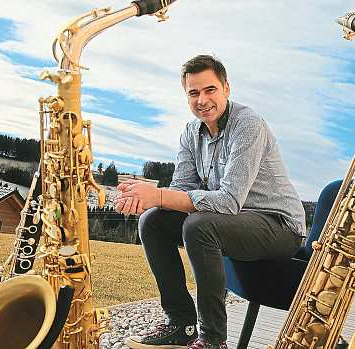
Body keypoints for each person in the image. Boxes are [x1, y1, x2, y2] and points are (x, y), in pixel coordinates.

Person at [115, 55, 305, 349]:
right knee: (152, 221)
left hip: (279, 225)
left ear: (226, 88)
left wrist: (160, 195)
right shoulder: (191, 132)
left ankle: (213, 340)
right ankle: (181, 323)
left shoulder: (248, 125)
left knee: (199, 226)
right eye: (193, 93)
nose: (202, 100)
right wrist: (146, 200)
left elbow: (228, 201)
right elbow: (181, 188)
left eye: (210, 90)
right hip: (231, 222)